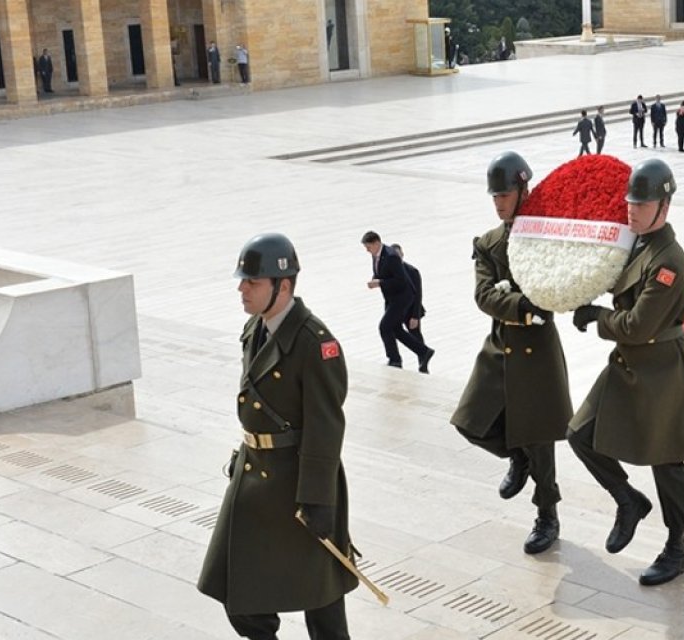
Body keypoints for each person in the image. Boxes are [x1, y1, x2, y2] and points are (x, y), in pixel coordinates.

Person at [198, 233, 355, 639]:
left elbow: (326, 426)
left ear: (282, 286)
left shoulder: (315, 343)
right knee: (240, 596)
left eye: (252, 281)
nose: (241, 289)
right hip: (255, 476)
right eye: (243, 280)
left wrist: (318, 499)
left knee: (322, 605)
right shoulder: (256, 328)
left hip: (299, 485)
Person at [569, 158, 684, 587]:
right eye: (631, 202)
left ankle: (677, 546)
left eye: (642, 203)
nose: (632, 209)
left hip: (660, 367)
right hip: (630, 365)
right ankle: (628, 500)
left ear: (664, 206)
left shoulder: (669, 261)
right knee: (579, 434)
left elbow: (637, 326)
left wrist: (596, 315)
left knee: (667, 460)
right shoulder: (639, 244)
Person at [451, 151, 571, 555]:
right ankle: (515, 455)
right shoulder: (488, 244)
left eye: (505, 194)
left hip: (537, 352)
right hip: (500, 346)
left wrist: (529, 301)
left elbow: (554, 290)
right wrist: (520, 305)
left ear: (524, 189)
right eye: (495, 196)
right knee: (470, 423)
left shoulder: (546, 237)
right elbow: (484, 295)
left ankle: (547, 515)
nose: (499, 202)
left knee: (541, 440)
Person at [361, 231, 434, 372]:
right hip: (391, 299)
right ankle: (423, 352)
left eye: (368, 247)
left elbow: (401, 282)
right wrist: (375, 279)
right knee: (394, 329)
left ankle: (395, 360)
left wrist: (380, 283)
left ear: (376, 243)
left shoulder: (391, 256)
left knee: (384, 327)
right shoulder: (376, 255)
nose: (367, 250)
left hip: (402, 299)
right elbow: (381, 272)